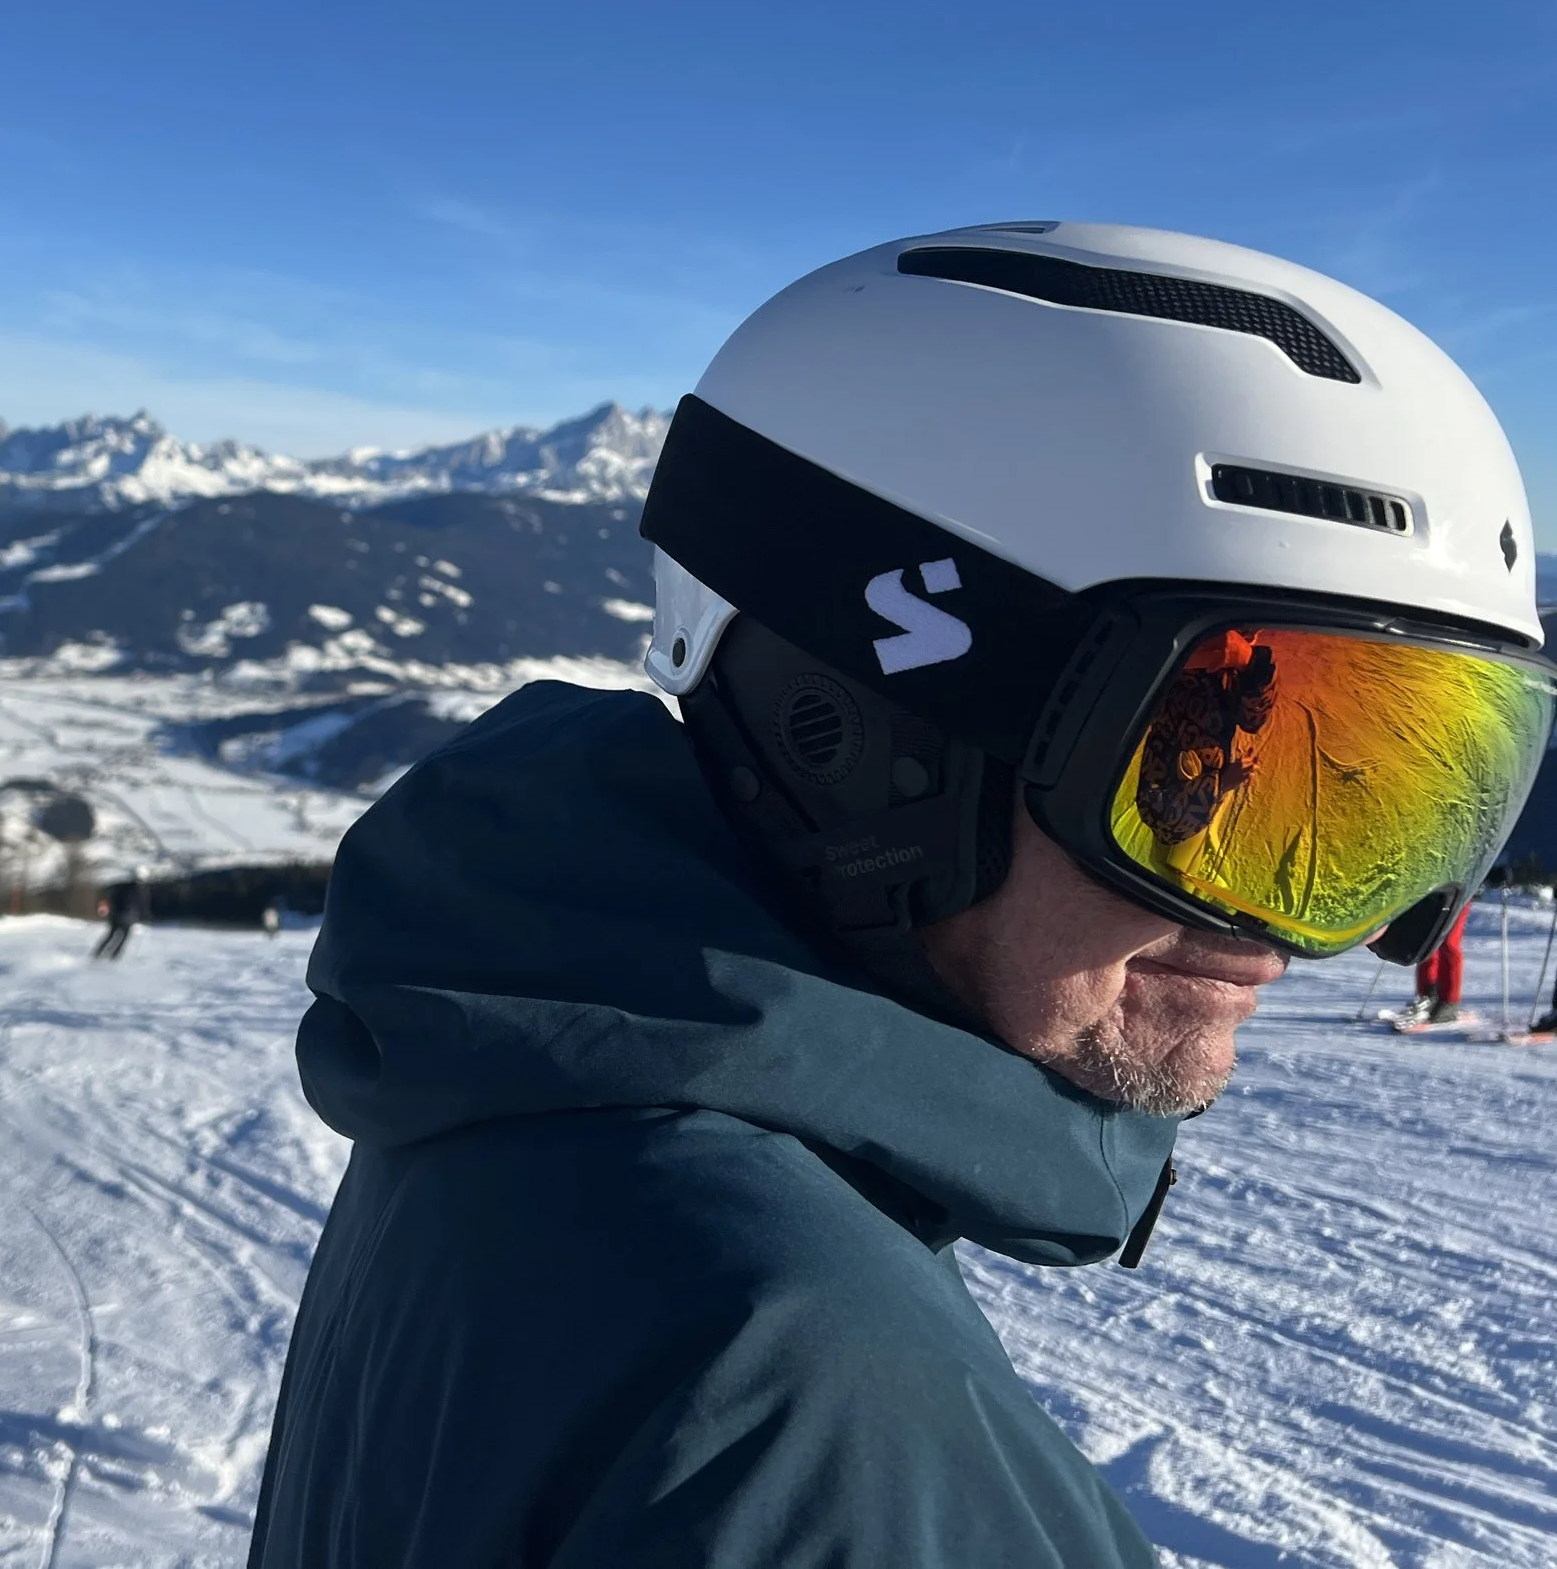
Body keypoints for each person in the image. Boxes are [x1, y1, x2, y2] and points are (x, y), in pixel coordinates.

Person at [248, 223, 1551, 1566]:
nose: (1284, 925)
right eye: (1192, 784)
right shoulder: (805, 1397)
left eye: (1394, 816)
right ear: (857, 736)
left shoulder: (527, 1083)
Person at [1394, 902, 1471, 1028]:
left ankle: (1449, 1002)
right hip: (1432, 895)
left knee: (1449, 943)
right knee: (1428, 942)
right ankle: (1427, 996)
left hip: (1461, 895)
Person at [92, 874, 149, 961]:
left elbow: (112, 897)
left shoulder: (122, 887)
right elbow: (140, 904)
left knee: (111, 935)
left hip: (116, 915)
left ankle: (98, 953)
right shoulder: (138, 890)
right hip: (127, 917)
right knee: (123, 937)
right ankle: (114, 956)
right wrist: (144, 915)